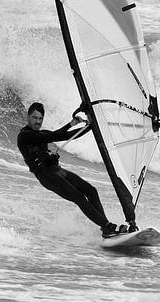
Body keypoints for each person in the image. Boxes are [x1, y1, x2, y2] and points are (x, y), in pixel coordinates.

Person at [16, 102, 129, 238]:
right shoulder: (24, 135)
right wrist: (76, 125)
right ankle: (109, 227)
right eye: (34, 118)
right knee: (79, 197)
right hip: (46, 175)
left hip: (57, 170)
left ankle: (105, 228)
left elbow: (61, 135)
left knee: (91, 191)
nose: (38, 122)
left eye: (40, 119)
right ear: (28, 117)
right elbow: (54, 136)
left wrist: (87, 127)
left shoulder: (42, 133)